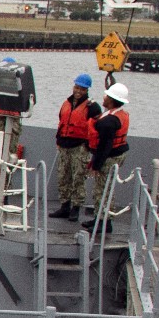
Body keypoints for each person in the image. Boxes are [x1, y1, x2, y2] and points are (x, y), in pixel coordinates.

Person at [84, 83, 131, 229]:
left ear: (111, 99)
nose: (104, 97)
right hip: (115, 155)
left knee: (103, 190)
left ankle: (104, 222)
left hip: (109, 158)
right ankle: (100, 218)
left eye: (106, 96)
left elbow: (105, 145)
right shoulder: (117, 114)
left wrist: (96, 165)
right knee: (104, 188)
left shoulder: (109, 122)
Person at [52, 74, 99, 220]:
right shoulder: (66, 103)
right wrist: (59, 141)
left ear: (87, 90)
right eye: (77, 87)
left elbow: (96, 128)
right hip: (64, 145)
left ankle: (76, 208)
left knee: (78, 177)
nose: (78, 91)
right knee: (63, 176)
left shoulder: (93, 107)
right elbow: (61, 121)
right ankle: (64, 206)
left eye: (82, 89)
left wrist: (89, 146)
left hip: (80, 147)